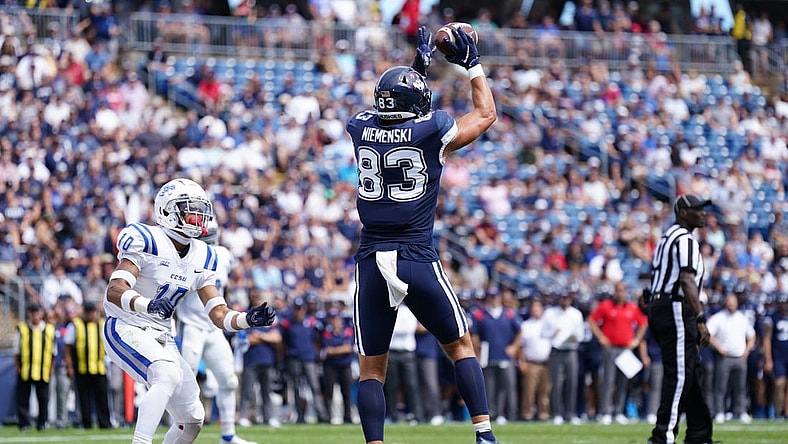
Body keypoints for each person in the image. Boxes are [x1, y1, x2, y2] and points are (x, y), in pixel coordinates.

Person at [345, 25, 500, 444]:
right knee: (461, 347)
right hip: (415, 256)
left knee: (372, 369)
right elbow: (485, 115)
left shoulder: (359, 128)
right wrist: (471, 65)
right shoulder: (433, 131)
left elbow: (391, 115)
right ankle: (483, 434)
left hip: (371, 261)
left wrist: (416, 70)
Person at [102, 178, 276, 444]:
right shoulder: (147, 239)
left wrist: (246, 319)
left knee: (193, 419)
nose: (198, 217)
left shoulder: (204, 255)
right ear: (168, 211)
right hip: (126, 325)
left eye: (200, 210)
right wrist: (146, 304)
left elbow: (218, 314)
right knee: (167, 374)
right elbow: (115, 289)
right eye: (190, 210)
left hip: (161, 335)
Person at [174, 220, 258, 444]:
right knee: (184, 383)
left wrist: (231, 316)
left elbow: (223, 290)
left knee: (229, 380)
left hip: (214, 328)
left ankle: (228, 436)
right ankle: (179, 432)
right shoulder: (186, 256)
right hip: (190, 325)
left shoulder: (224, 256)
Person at [645, 194, 714, 444]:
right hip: (676, 306)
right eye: (697, 209)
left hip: (660, 304)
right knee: (680, 373)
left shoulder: (667, 236)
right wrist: (700, 317)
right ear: (683, 213)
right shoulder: (685, 238)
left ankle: (699, 432)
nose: (703, 214)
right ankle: (663, 435)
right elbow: (685, 279)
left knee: (690, 368)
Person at [588, 280, 648, 425]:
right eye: (618, 290)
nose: (620, 293)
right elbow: (592, 320)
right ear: (615, 291)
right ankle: (606, 412)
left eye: (623, 290)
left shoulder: (632, 308)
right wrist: (601, 337)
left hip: (625, 349)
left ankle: (619, 411)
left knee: (623, 382)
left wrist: (636, 340)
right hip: (610, 348)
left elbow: (643, 323)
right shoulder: (606, 306)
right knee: (608, 381)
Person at [706, 292, 756, 423]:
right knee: (721, 387)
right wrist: (719, 348)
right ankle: (720, 412)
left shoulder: (742, 318)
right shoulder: (718, 318)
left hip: (740, 357)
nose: (731, 304)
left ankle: (741, 411)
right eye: (729, 301)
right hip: (725, 357)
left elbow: (752, 336)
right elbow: (708, 334)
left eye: (733, 301)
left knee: (740, 387)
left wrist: (747, 350)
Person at [63, 301, 112, 429]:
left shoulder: (102, 324)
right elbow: (67, 347)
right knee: (83, 398)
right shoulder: (75, 325)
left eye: (92, 311)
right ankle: (86, 423)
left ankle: (105, 423)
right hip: (81, 367)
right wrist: (69, 366)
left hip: (99, 367)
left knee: (102, 397)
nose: (91, 314)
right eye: (88, 311)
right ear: (83, 312)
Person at [14, 303, 56, 432]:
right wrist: (18, 368)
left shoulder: (49, 329)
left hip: (43, 370)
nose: (34, 314)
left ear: (41, 313)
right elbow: (16, 351)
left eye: (36, 311)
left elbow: (54, 352)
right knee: (23, 399)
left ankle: (42, 423)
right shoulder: (22, 329)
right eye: (32, 312)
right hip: (26, 370)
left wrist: (51, 368)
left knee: (43, 399)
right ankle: (24, 424)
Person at [517, 298, 553, 421]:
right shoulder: (526, 325)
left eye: (538, 309)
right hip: (531, 361)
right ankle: (527, 414)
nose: (536, 311)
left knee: (545, 390)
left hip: (547, 362)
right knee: (529, 390)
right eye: (534, 309)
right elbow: (521, 346)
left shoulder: (548, 324)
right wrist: (522, 362)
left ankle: (544, 414)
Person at [763, 293, 788, 419]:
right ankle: (777, 412)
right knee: (779, 383)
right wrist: (768, 359)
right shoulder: (772, 317)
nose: (783, 306)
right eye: (781, 303)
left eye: (785, 303)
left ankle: (786, 413)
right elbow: (766, 339)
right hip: (778, 356)